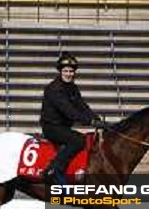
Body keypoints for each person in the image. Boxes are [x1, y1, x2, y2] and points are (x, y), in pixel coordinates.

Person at [40, 52, 104, 184]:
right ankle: (54, 170)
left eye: (71, 71)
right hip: (52, 127)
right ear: (60, 71)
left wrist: (96, 118)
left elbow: (82, 106)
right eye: (66, 71)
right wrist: (89, 121)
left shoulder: (73, 88)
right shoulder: (54, 89)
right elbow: (69, 112)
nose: (68, 74)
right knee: (78, 140)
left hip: (63, 127)